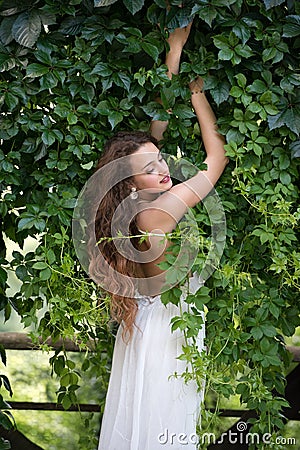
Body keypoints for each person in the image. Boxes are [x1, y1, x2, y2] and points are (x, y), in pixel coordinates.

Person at [89, 22, 228, 450]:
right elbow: (216, 158)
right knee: (165, 429)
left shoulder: (134, 206)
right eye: (149, 169)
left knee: (146, 423)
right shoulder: (159, 212)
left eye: (161, 161)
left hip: (153, 321)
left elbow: (153, 134)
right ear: (131, 183)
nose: (162, 169)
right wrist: (196, 89)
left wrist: (174, 52)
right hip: (170, 326)